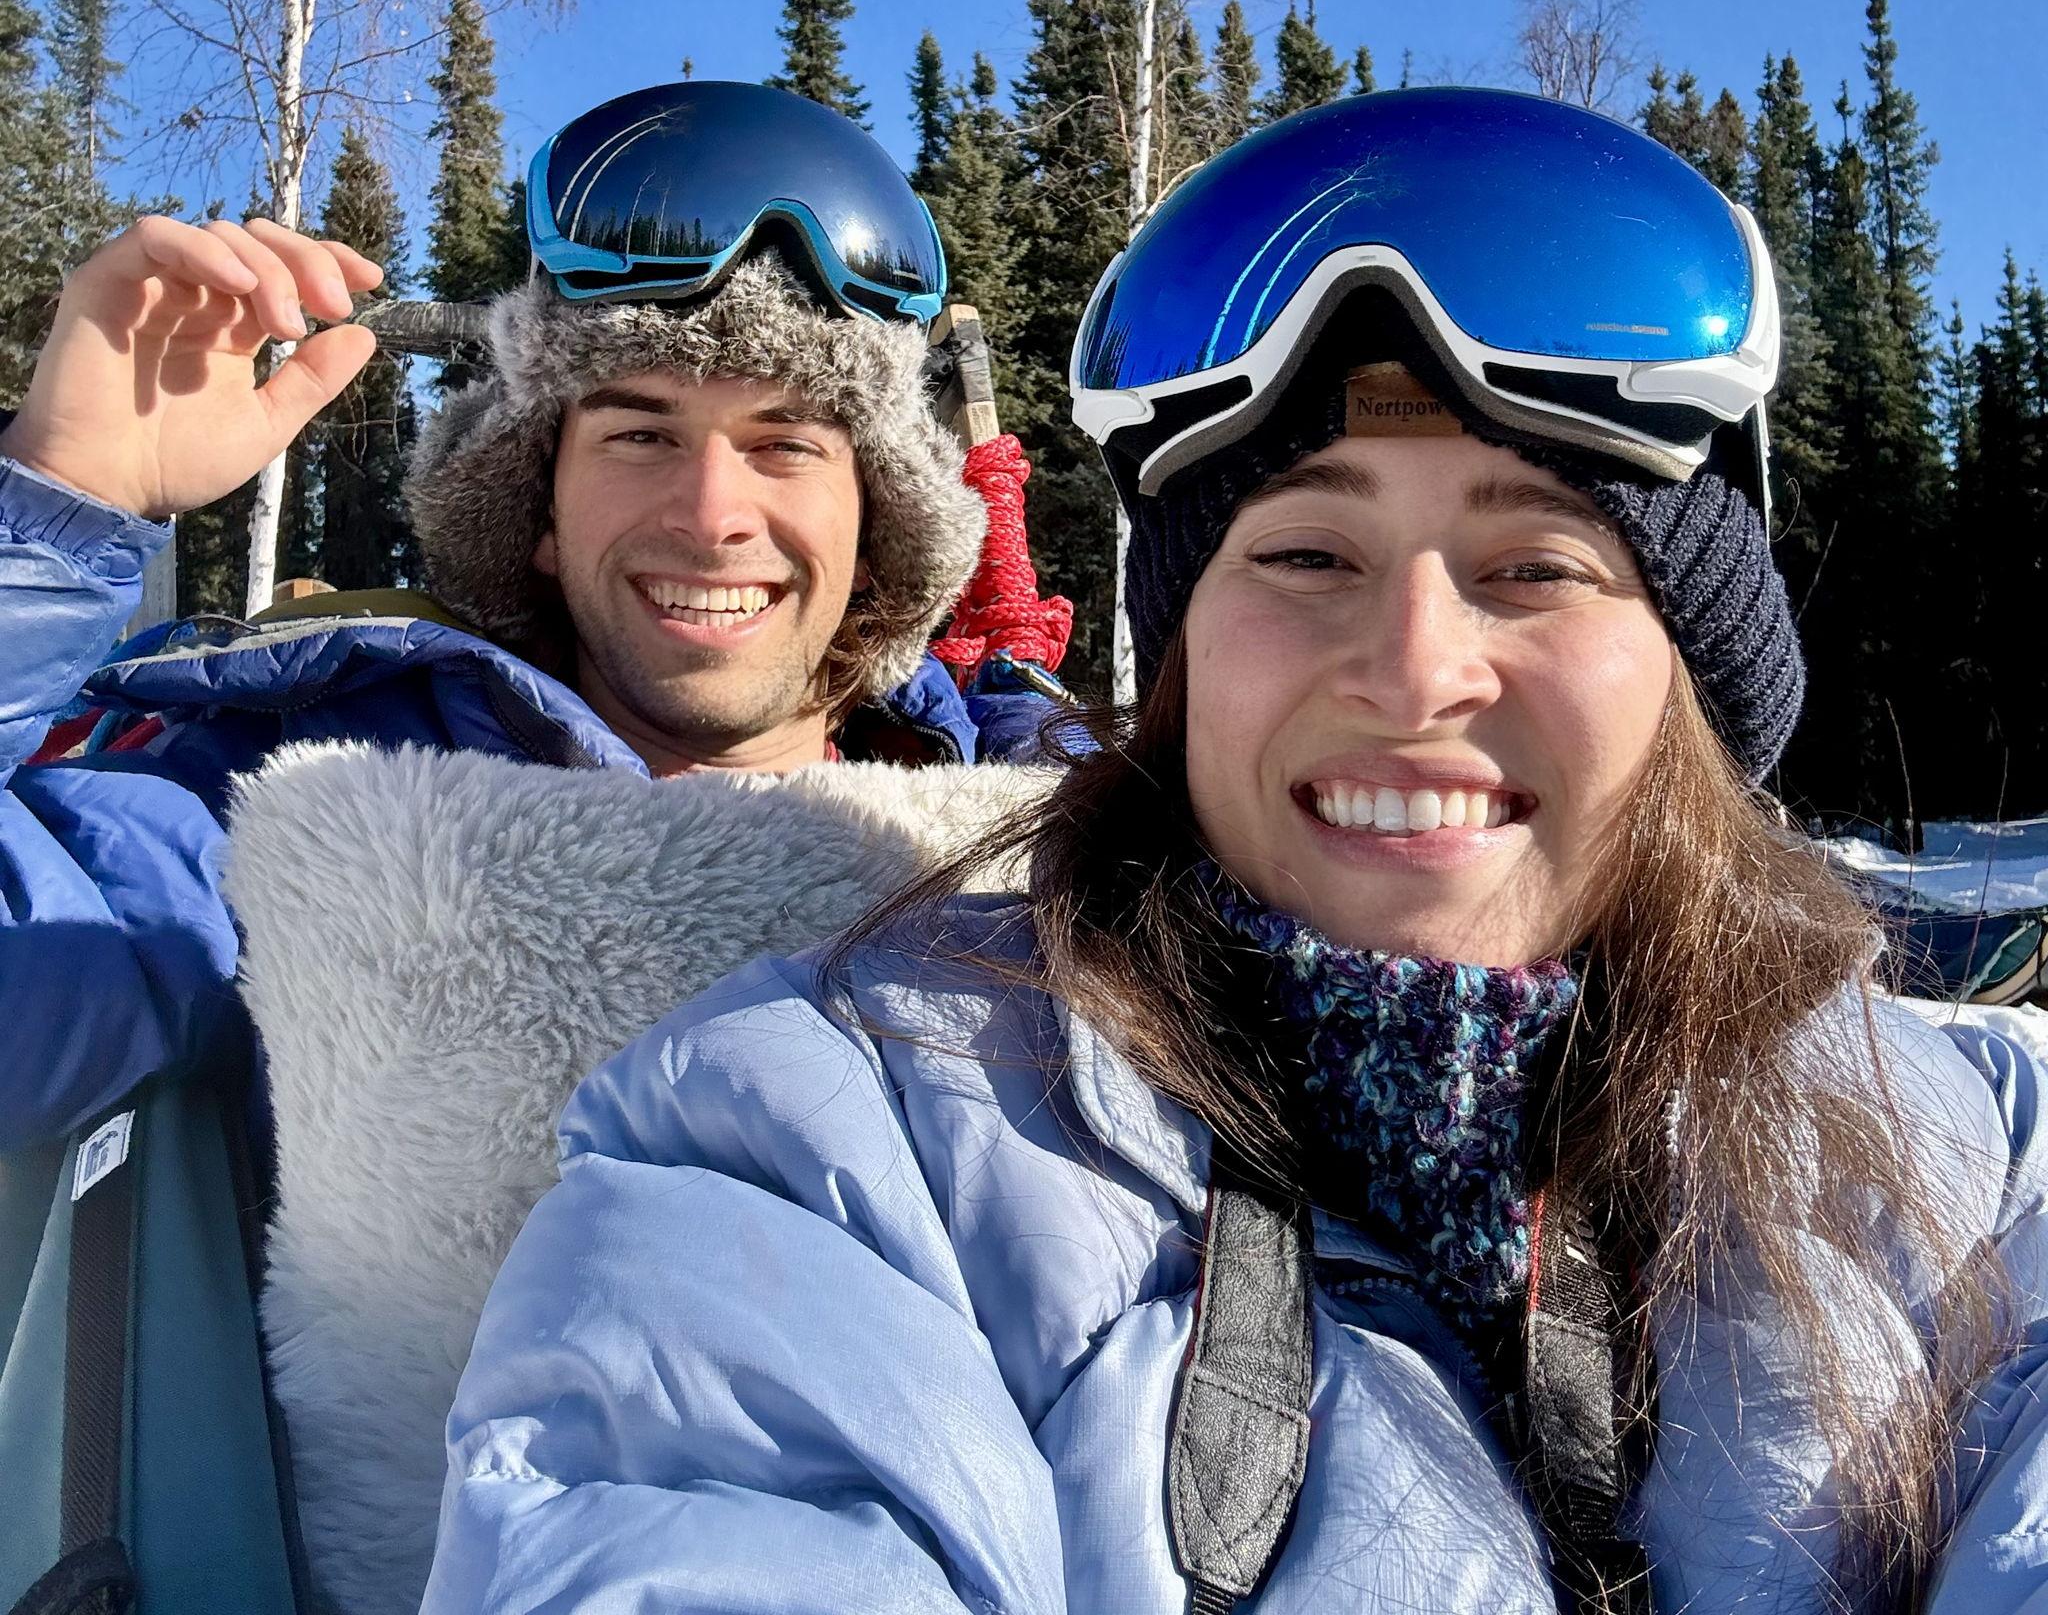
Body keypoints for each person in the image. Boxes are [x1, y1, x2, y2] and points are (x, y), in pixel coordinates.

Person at [428, 87, 2048, 1615]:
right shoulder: (826, 1145)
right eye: (1306, 551)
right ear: (1183, 668)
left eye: (1533, 562)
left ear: (1693, 664)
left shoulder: (1975, 1158)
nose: (1413, 668)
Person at [0, 79, 1062, 1154]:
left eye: (784, 443)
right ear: (536, 514)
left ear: (876, 525)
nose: (711, 516)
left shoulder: (1052, 817)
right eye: (639, 436)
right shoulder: (312, 799)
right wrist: (59, 510)